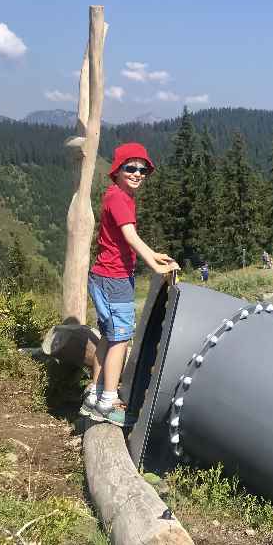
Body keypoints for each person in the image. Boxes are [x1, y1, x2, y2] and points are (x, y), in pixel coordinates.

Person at [80, 142, 178, 426]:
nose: (138, 173)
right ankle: (108, 403)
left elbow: (123, 239)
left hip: (102, 277)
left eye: (143, 169)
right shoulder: (120, 199)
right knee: (121, 338)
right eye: (130, 168)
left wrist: (152, 254)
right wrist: (155, 263)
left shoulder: (115, 195)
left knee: (108, 336)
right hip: (115, 280)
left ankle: (93, 393)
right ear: (117, 171)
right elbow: (130, 235)